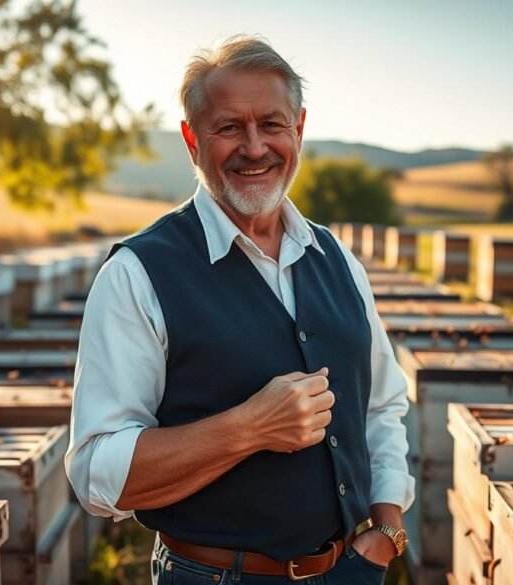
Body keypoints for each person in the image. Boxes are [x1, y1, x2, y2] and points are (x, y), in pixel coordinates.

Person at [65, 35, 414, 584]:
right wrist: (248, 428)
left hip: (350, 569)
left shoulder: (338, 259)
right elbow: (96, 474)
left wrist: (387, 533)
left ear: (298, 129)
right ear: (191, 140)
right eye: (229, 127)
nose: (254, 148)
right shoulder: (136, 274)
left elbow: (381, 406)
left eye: (272, 124)